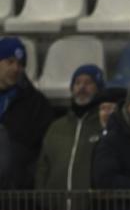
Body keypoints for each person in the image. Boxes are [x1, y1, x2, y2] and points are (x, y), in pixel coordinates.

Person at [36, 64, 105, 193]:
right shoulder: (56, 127)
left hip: (93, 209)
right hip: (56, 209)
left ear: (99, 89)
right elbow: (43, 166)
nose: (82, 87)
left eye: (88, 82)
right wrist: (43, 197)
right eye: (77, 82)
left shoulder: (104, 125)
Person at [0, 37, 54, 189]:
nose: (16, 69)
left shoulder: (37, 104)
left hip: (16, 193)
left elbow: (43, 151)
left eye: (20, 64)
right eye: (9, 62)